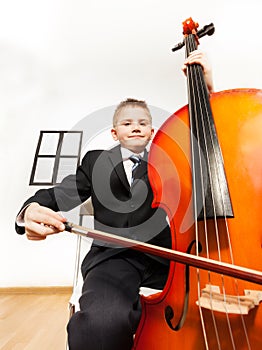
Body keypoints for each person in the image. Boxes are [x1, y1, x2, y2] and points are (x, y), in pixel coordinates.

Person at [16, 50, 214, 350]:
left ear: (151, 132)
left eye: (143, 122)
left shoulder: (170, 159)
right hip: (114, 258)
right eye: (127, 123)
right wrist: (28, 210)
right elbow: (59, 194)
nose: (135, 126)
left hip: (172, 260)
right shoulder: (96, 162)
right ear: (114, 132)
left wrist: (207, 95)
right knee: (100, 325)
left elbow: (209, 153)